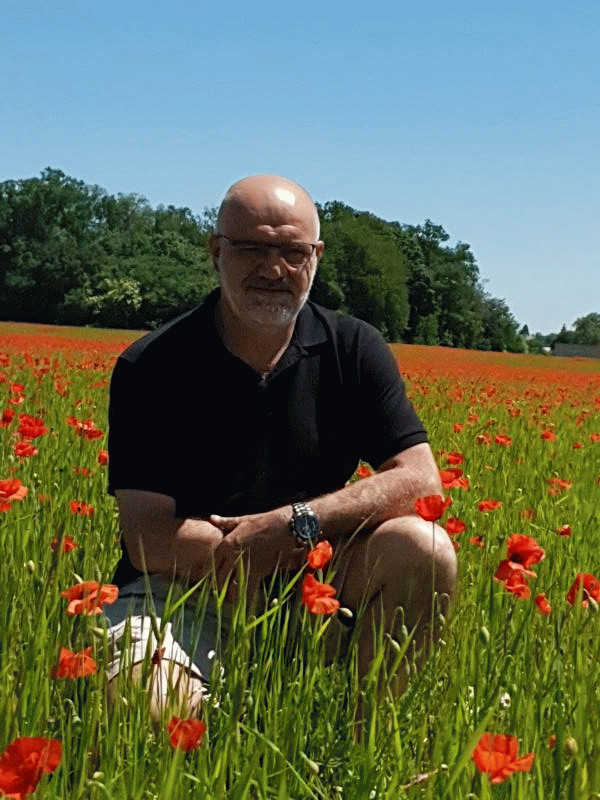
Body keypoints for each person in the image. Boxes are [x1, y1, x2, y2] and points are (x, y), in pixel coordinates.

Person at [104, 174, 457, 727]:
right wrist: (246, 552)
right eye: (251, 249)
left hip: (312, 577)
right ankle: (227, 706)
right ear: (215, 251)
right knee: (149, 710)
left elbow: (420, 480)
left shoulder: (353, 348)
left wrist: (293, 527)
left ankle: (360, 738)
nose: (273, 270)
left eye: (292, 253)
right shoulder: (152, 366)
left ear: (315, 257)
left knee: (424, 546)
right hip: (182, 592)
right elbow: (148, 534)